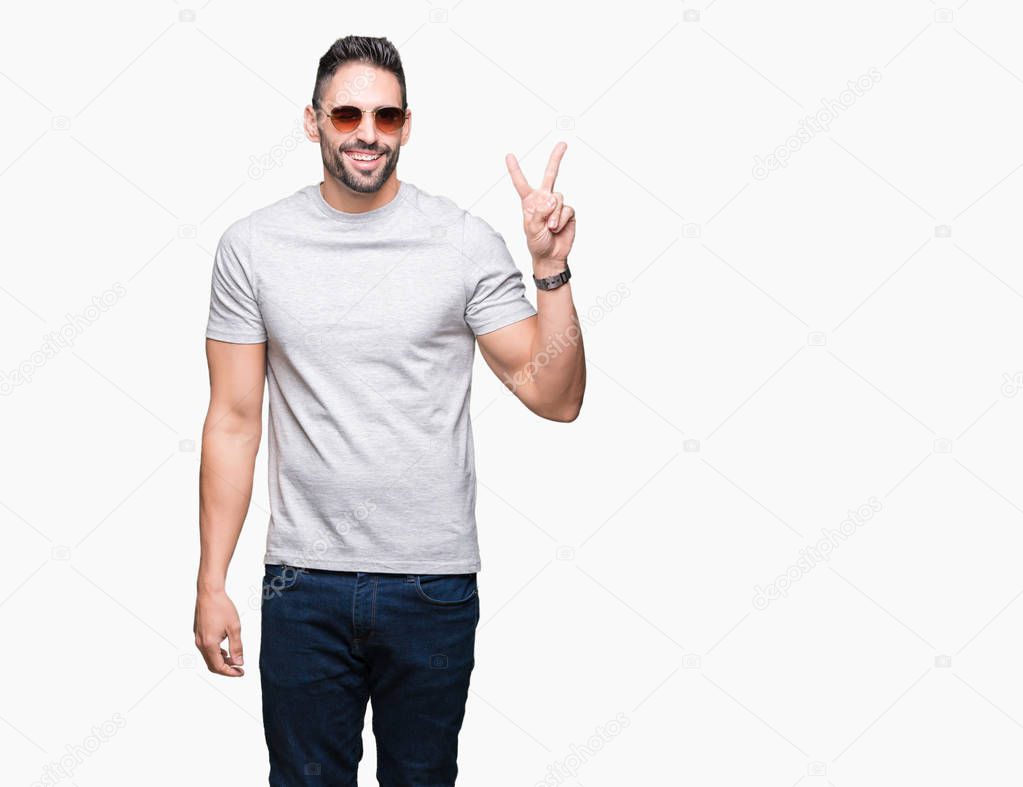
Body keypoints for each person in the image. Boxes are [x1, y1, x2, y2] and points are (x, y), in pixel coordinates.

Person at [192, 34, 585, 786]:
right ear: (313, 122)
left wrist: (550, 270)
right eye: (346, 114)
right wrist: (212, 581)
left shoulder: (463, 243)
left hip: (430, 585)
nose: (367, 133)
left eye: (385, 116)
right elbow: (233, 421)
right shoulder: (252, 247)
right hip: (302, 583)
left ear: (407, 124)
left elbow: (554, 395)